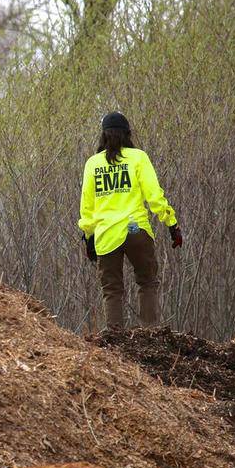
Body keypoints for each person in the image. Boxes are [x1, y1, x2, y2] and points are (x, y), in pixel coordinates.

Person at [78, 111, 182, 329]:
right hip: (137, 231)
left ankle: (115, 339)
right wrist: (171, 223)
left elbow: (87, 206)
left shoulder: (93, 164)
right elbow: (154, 196)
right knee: (147, 282)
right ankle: (150, 332)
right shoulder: (138, 157)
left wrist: (89, 236)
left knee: (112, 289)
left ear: (103, 136)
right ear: (128, 134)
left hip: (106, 235)